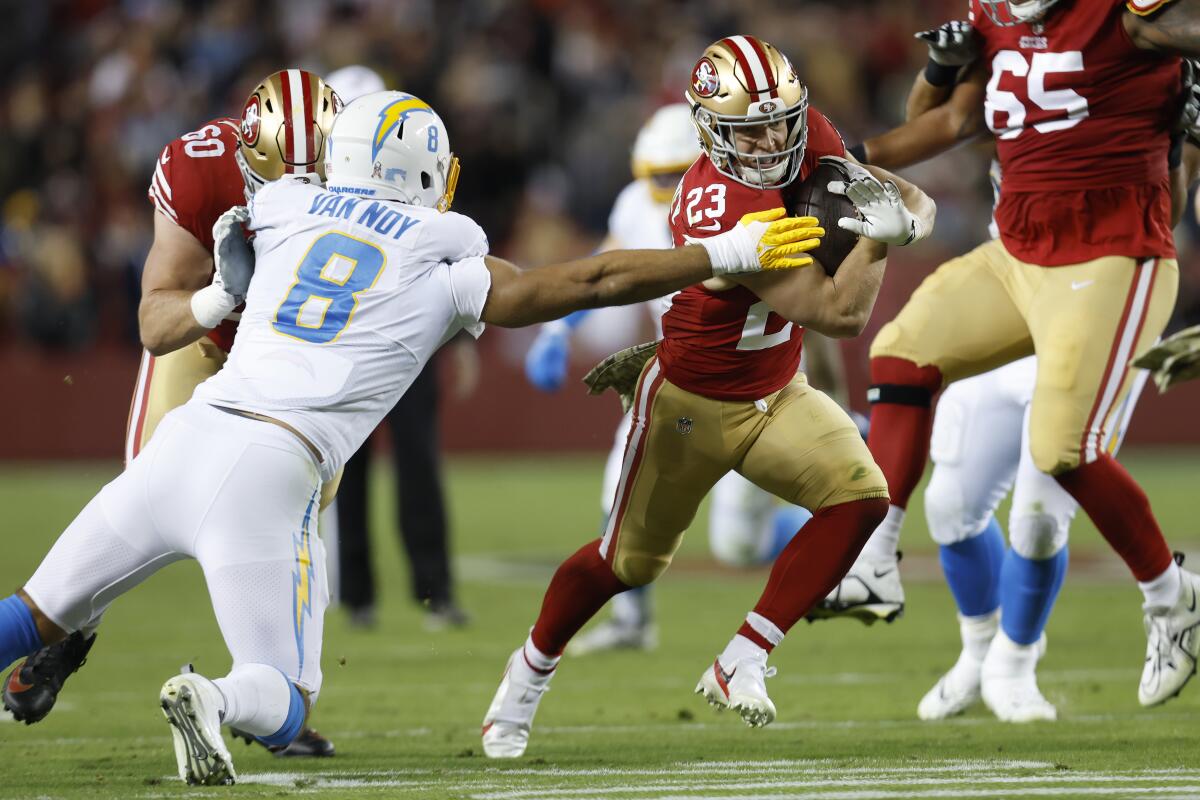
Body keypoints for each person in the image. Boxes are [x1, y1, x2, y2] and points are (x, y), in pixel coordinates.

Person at [0, 89, 822, 785]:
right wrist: (718, 250)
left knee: (33, 615)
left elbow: (229, 233)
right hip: (274, 469)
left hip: (186, 439)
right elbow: (586, 281)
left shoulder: (282, 206)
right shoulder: (446, 251)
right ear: (428, 170)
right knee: (285, 699)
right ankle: (212, 699)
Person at [481, 35, 936, 759]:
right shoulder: (712, 203)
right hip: (688, 403)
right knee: (625, 564)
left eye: (780, 120)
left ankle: (744, 657)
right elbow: (837, 312)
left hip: (777, 389)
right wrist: (883, 243)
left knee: (862, 498)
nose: (770, 138)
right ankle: (528, 672)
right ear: (708, 130)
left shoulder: (809, 136)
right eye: (748, 128)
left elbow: (901, 194)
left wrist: (910, 214)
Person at [818, 0, 1200, 709]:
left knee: (1061, 453)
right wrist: (845, 159)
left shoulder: (1129, 16)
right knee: (901, 353)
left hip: (1112, 254)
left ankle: (1170, 599)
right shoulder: (994, 16)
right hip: (1017, 253)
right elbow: (952, 120)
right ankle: (875, 558)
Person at [2, 69, 340, 758]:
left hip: (286, 377)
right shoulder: (199, 166)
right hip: (205, 341)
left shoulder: (358, 187)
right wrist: (217, 298)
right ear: (247, 153)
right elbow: (157, 324)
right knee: (140, 497)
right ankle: (70, 641)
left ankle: (267, 693)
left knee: (299, 530)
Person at [523, 103, 816, 656]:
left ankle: (840, 551)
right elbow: (606, 263)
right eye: (655, 175)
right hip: (683, 379)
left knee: (739, 543)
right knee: (620, 491)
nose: (664, 186)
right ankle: (632, 620)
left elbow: (805, 311)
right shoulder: (637, 204)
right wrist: (560, 330)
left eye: (673, 172)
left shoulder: (753, 198)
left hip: (757, 386)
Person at [324, 65, 473, 631]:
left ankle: (427, 592)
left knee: (415, 464)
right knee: (350, 466)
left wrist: (457, 338)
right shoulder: (324, 191)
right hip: (351, 340)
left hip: (399, 342)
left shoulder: (401, 184)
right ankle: (361, 594)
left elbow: (448, 266)